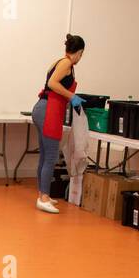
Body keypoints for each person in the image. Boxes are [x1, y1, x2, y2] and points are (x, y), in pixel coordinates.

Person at [31, 34, 85, 213]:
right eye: (81, 55)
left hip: (43, 108)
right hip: (49, 110)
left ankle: (42, 194)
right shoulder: (66, 63)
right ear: (79, 52)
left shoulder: (58, 61)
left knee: (45, 154)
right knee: (51, 155)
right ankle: (44, 197)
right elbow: (53, 83)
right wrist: (72, 96)